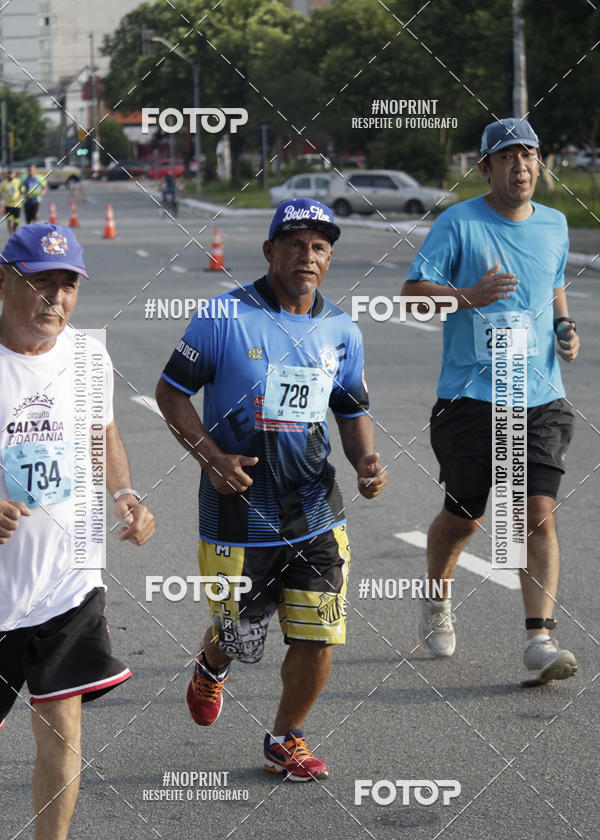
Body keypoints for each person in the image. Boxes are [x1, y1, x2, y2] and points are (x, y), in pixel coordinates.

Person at [156, 198, 386, 780]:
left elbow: (352, 407)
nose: (307, 256)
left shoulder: (340, 329)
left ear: (329, 258)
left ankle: (286, 738)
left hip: (314, 511)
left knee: (318, 634)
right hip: (238, 512)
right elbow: (170, 392)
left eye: (319, 247)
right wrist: (211, 457)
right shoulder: (222, 316)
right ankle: (213, 662)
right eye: (294, 244)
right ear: (269, 251)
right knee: (240, 631)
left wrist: (366, 460)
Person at [0, 223, 155, 840]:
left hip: (67, 580)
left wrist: (125, 493)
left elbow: (105, 433)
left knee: (61, 725)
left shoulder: (89, 358)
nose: (55, 297)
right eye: (40, 279)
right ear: (4, 279)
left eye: (66, 284)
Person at [401, 117, 580, 687]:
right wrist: (467, 296)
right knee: (465, 520)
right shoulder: (458, 223)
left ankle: (540, 639)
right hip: (472, 398)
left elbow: (552, 281)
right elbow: (410, 298)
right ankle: (436, 599)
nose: (521, 166)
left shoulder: (555, 223)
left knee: (536, 514)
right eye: (507, 157)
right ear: (485, 167)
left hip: (541, 395)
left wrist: (564, 324)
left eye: (529, 155)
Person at [0, 169, 23, 235]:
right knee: (9, 220)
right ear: (7, 174)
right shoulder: (3, 183)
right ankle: (11, 234)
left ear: (14, 174)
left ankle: (14, 230)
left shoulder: (18, 181)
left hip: (17, 204)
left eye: (11, 173)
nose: (10, 175)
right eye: (9, 174)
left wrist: (21, 197)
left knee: (16, 221)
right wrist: (1, 199)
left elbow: (22, 191)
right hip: (8, 204)